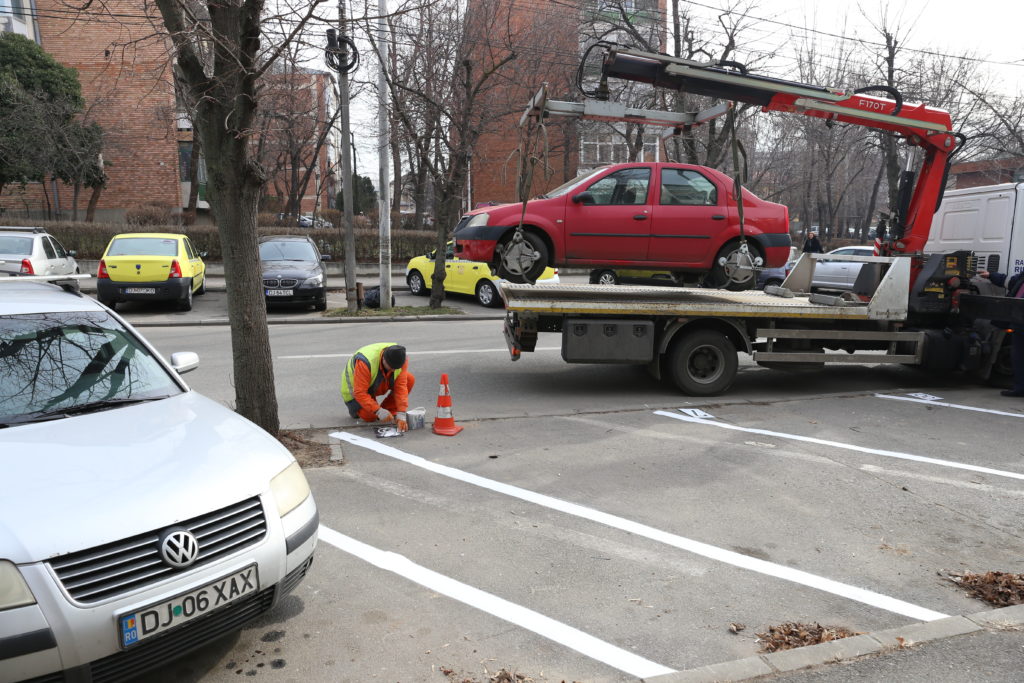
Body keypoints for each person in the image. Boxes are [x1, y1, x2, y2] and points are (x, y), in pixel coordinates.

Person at [341, 343, 416, 431]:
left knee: (409, 379)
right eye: (391, 367)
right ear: (384, 358)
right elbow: (359, 392)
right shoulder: (365, 362)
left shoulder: (401, 357)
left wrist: (401, 412)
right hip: (356, 392)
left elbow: (401, 386)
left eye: (396, 368)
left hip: (376, 383)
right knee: (370, 416)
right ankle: (356, 410)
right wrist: (378, 411)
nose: (393, 370)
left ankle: (389, 411)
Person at [978, 270, 1024, 397]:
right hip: (1018, 322)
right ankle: (1020, 388)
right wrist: (991, 276)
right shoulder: (1022, 277)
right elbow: (1009, 282)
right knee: (1018, 358)